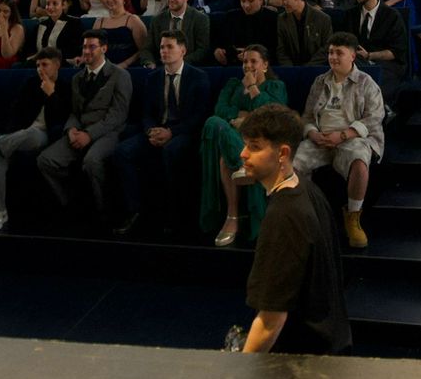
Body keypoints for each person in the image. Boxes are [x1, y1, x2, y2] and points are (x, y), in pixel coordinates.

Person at [237, 103, 352, 354]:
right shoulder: (305, 188)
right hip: (330, 343)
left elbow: (271, 320)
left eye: (254, 147)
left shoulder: (284, 214)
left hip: (305, 357)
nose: (243, 154)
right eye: (245, 145)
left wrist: (241, 367)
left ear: (283, 153)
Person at [108, 32, 211, 236]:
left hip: (183, 131)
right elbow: (146, 113)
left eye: (169, 47)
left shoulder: (198, 77)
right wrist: (151, 131)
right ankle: (134, 210)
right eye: (162, 47)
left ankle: (173, 214)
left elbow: (199, 116)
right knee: (122, 151)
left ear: (183, 50)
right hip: (156, 130)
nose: (164, 51)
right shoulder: (153, 78)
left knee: (171, 151)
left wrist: (171, 132)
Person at [0, 48, 73, 233]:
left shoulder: (66, 86)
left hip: (43, 135)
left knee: (31, 135)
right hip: (17, 135)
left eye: (45, 65)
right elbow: (15, 112)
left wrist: (51, 94)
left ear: (57, 65)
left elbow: (63, 118)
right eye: (38, 65)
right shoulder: (30, 83)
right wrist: (12, 132)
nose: (40, 69)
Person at [293, 33, 386, 248]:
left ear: (352, 56)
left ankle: (353, 218)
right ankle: (304, 218)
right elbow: (307, 116)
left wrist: (343, 135)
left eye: (339, 53)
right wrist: (312, 133)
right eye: (330, 52)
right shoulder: (320, 81)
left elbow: (374, 118)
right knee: (293, 164)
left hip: (352, 137)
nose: (333, 57)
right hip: (321, 138)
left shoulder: (366, 82)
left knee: (359, 161)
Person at [35, 32, 133, 221]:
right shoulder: (77, 78)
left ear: (104, 48)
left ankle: (103, 211)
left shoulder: (120, 75)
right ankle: (70, 203)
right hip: (80, 130)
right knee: (45, 160)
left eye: (92, 47)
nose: (86, 51)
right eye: (84, 47)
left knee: (92, 161)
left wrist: (89, 134)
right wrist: (71, 129)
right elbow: (75, 112)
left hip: (107, 132)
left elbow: (117, 116)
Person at [203, 45, 288, 247]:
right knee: (213, 123)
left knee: (225, 160)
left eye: (253, 61)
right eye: (245, 62)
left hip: (260, 139)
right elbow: (221, 110)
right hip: (232, 135)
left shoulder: (276, 86)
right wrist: (241, 115)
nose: (248, 66)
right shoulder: (233, 84)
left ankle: (232, 217)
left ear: (265, 65)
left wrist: (252, 88)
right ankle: (242, 166)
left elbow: (274, 115)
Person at [346, 0, 408, 107]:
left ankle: (384, 110)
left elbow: (397, 52)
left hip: (387, 64)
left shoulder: (392, 15)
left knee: (374, 88)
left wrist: (369, 55)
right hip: (358, 62)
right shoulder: (351, 14)